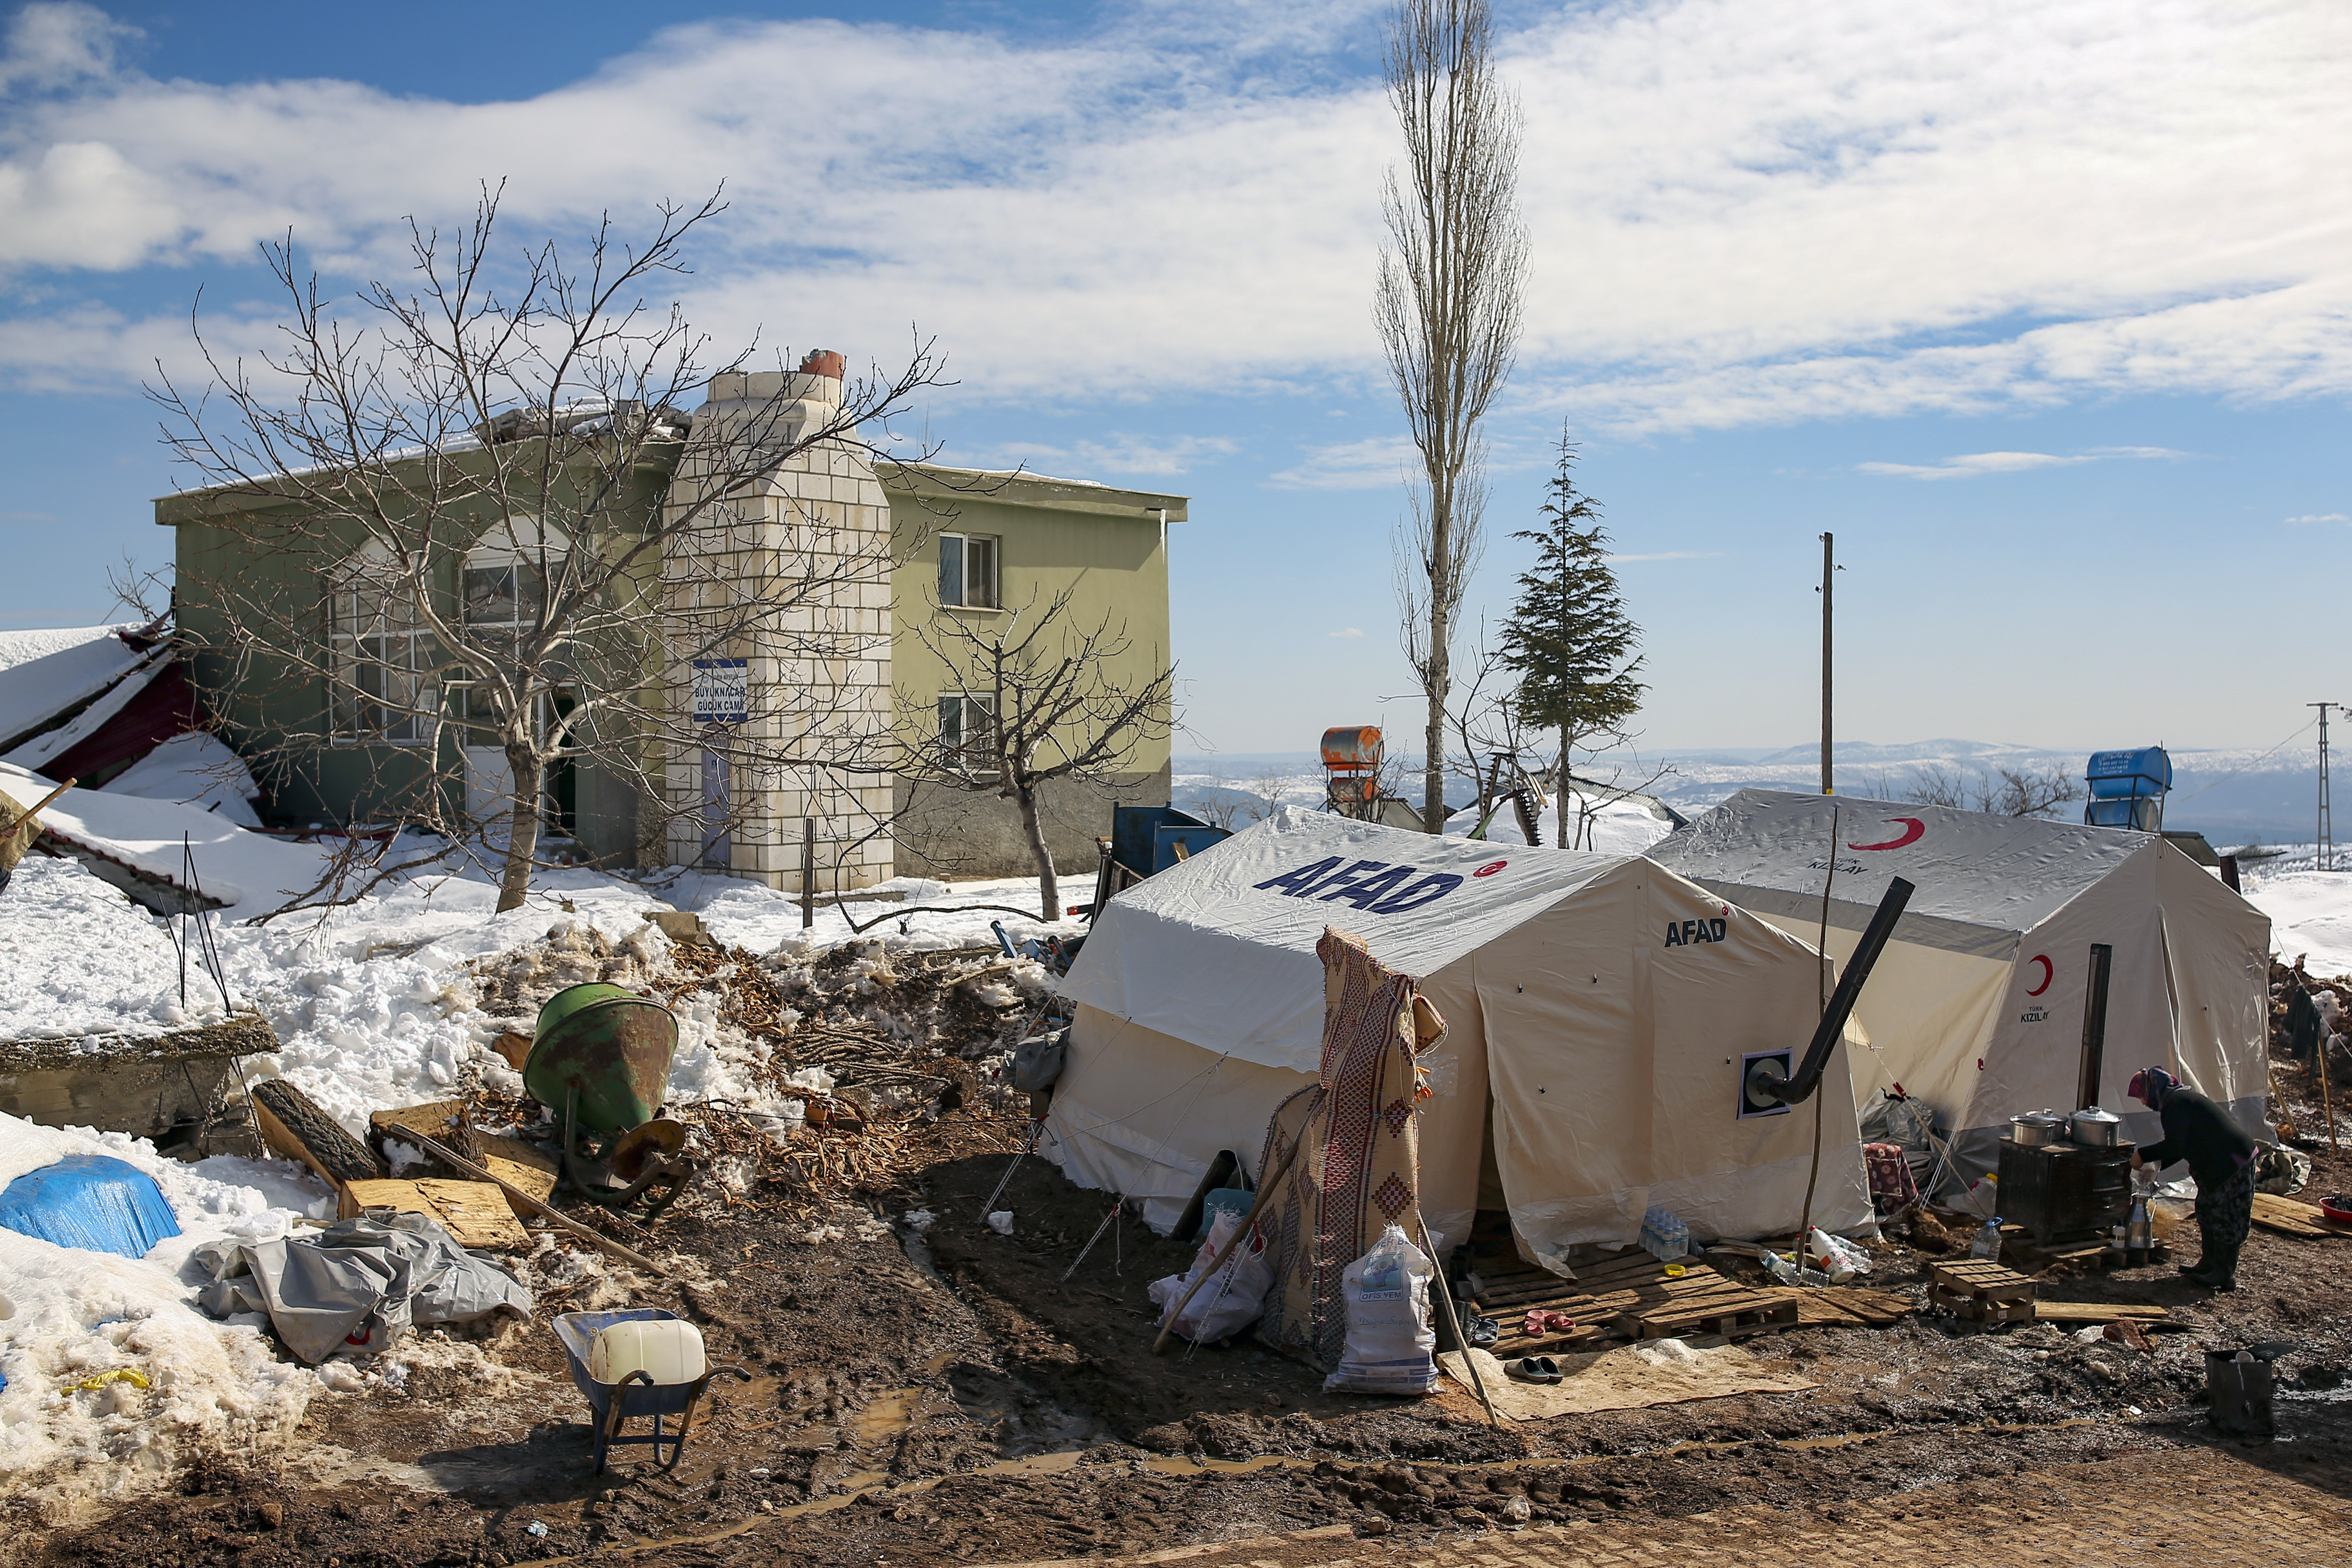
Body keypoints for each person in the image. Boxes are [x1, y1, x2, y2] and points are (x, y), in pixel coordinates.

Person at [2128, 1065, 2257, 1290]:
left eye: (2142, 1096)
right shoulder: (2178, 1102)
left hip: (2233, 1161)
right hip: (2217, 1163)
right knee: (2206, 1208)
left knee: (2227, 1214)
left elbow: (2174, 1146)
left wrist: (2142, 1155)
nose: (2143, 1102)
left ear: (2153, 1089)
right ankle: (2209, 1263)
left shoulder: (2177, 1104)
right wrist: (2153, 1167)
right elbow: (2180, 1148)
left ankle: (2224, 1273)